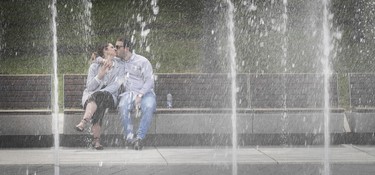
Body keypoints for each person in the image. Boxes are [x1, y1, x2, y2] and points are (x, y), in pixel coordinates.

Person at [75, 42, 124, 150]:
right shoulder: (94, 66)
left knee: (99, 97)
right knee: (99, 103)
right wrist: (100, 76)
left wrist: (101, 92)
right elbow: (90, 87)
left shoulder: (119, 66)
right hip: (92, 97)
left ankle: (84, 122)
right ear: (105, 51)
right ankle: (96, 141)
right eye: (112, 47)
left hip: (110, 97)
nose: (115, 49)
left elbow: (117, 85)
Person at [116, 37, 156, 150]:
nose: (116, 49)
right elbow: (101, 58)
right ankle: (130, 138)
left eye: (118, 47)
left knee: (148, 106)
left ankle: (140, 138)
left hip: (146, 93)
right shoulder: (118, 61)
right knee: (122, 106)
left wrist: (140, 94)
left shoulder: (142, 61)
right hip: (129, 94)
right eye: (115, 46)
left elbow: (149, 81)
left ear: (126, 48)